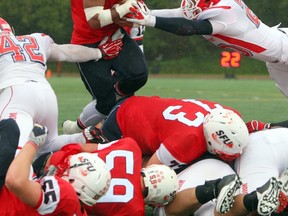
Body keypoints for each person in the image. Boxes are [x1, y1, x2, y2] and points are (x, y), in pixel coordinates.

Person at [0, 17, 122, 157]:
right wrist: (98, 53)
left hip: (16, 95)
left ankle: (26, 178)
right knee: (48, 144)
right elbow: (68, 52)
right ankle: (82, 138)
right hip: (46, 94)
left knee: (13, 149)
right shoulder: (36, 39)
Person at [126, 0, 288, 98]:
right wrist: (147, 14)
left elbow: (190, 28)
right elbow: (179, 13)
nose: (190, 6)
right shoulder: (216, 5)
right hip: (275, 61)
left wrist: (149, 20)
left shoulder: (228, 14)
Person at [98, 95, 249, 172]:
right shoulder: (188, 140)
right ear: (210, 141)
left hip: (135, 104)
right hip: (119, 125)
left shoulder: (227, 114)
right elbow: (148, 174)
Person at [32, 137, 179, 216]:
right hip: (55, 201)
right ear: (155, 200)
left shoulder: (131, 146)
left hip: (47, 163)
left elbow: (84, 148)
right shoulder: (134, 211)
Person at [63, 0, 148, 134]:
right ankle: (74, 130)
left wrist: (136, 16)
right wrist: (126, 7)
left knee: (138, 75)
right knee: (105, 103)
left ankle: (116, 97)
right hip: (88, 44)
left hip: (116, 36)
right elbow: (94, 20)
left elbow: (130, 16)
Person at [1, 122, 111, 215]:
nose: (63, 167)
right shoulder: (78, 210)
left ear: (76, 181)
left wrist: (33, 142)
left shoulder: (65, 194)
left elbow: (15, 181)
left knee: (10, 128)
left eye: (68, 168)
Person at [154, 157, 242, 216]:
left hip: (209, 171)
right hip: (211, 167)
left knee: (163, 212)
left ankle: (250, 200)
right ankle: (250, 200)